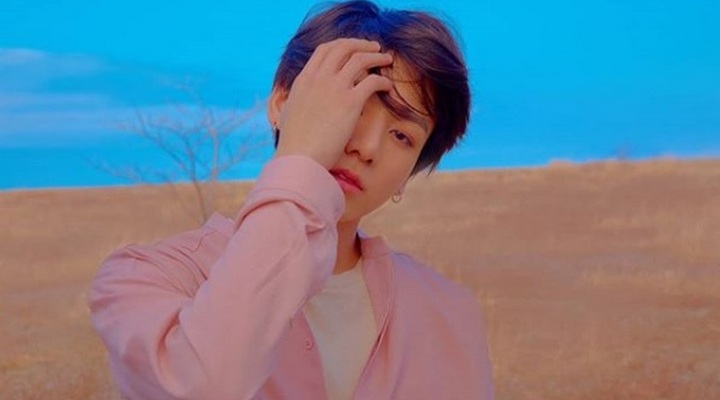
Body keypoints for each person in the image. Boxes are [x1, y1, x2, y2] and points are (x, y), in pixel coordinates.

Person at [88, 1, 494, 399]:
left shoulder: (448, 310)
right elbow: (204, 385)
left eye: (402, 136)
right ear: (283, 103)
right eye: (352, 107)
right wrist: (301, 162)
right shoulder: (145, 278)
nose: (368, 147)